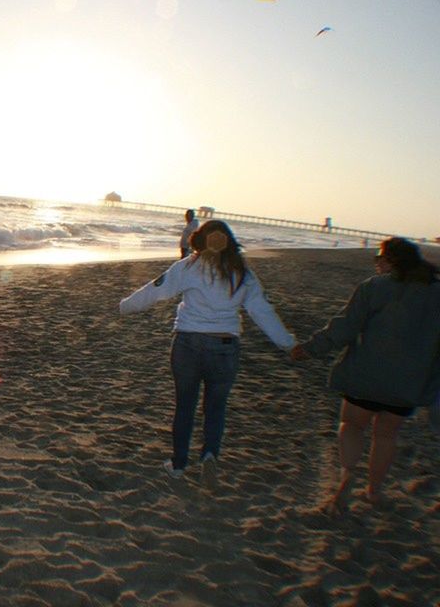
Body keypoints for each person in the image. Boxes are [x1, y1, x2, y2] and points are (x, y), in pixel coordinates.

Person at [120, 220, 296, 484]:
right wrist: (288, 343)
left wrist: (125, 307)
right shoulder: (242, 272)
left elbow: (156, 290)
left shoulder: (190, 266)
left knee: (185, 406)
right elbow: (262, 311)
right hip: (224, 347)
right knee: (216, 407)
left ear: (199, 240)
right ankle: (210, 454)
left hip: (188, 344)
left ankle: (179, 464)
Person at [291, 237, 440, 513]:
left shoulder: (375, 287)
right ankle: (374, 492)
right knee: (385, 436)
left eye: (379, 259)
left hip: (365, 377)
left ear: (391, 261)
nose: (377, 264)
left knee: (352, 425)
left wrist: (312, 348)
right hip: (406, 384)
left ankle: (347, 474)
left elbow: (345, 327)